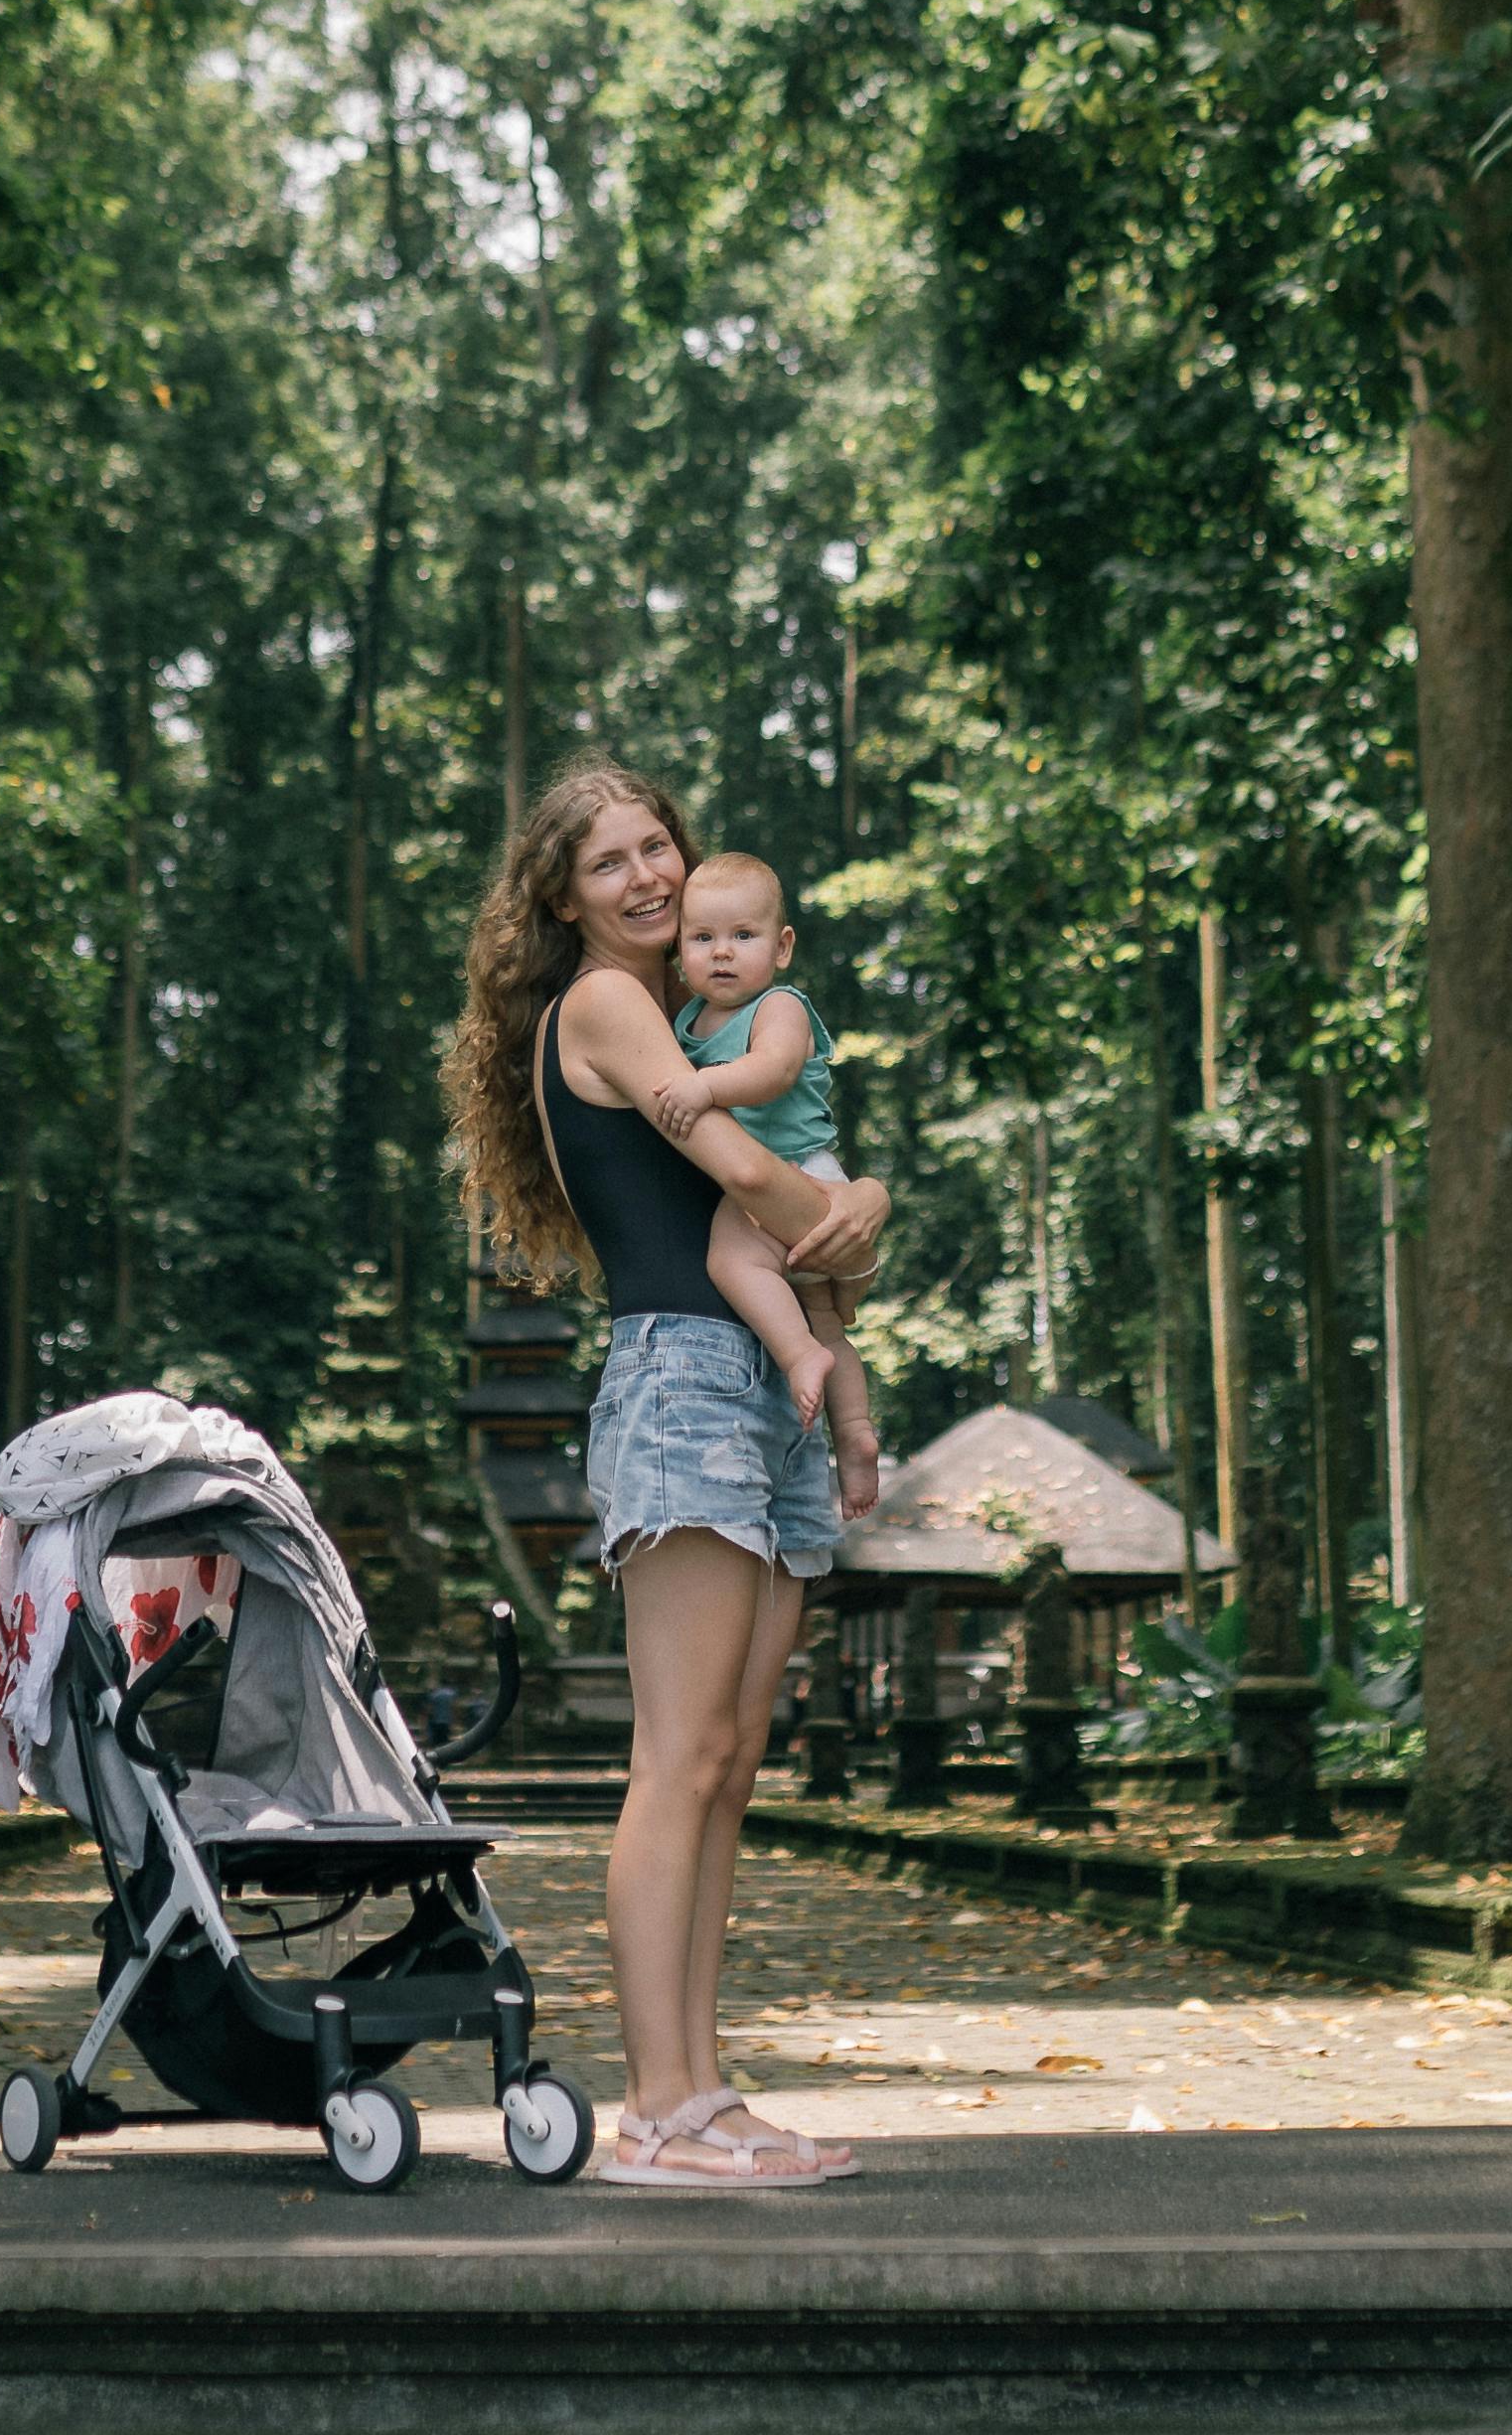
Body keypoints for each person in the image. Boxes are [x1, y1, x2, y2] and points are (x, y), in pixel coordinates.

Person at [445, 764, 887, 2190]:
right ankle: (656, 2108)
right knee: (677, 1759)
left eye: (660, 848)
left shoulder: (715, 1013)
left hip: (764, 1385)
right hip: (686, 1384)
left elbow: (783, 1204)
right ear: (563, 900)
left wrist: (840, 1217)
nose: (644, 877)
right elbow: (753, 1177)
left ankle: (703, 2088)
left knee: (731, 1764)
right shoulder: (607, 1003)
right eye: (608, 863)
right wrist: (856, 1204)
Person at [639, 853, 879, 1520]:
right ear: (678, 946)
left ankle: (798, 1355)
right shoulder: (686, 1025)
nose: (722, 954)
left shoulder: (781, 1007)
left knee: (730, 1259)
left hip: (802, 1172)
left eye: (743, 937)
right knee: (827, 1317)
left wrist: (703, 1087)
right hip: (785, 1192)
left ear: (782, 948)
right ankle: (856, 1434)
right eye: (702, 938)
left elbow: (773, 1072)